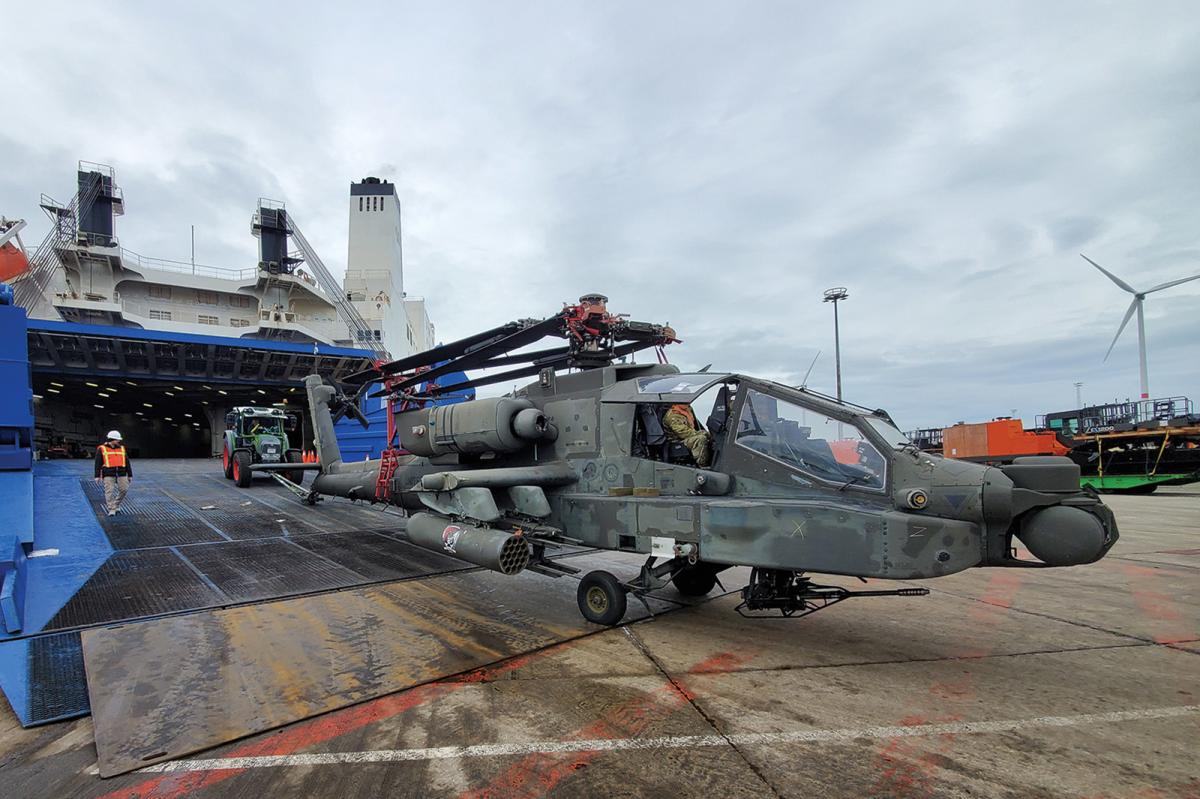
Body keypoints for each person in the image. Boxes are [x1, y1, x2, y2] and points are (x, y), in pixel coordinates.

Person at [94, 430, 133, 516]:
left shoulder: (122, 448)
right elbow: (98, 463)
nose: (119, 441)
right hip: (108, 474)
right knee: (109, 492)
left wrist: (130, 474)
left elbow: (127, 462)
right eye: (117, 439)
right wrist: (97, 476)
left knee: (124, 489)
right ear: (112, 439)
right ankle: (111, 509)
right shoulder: (102, 448)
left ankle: (116, 504)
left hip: (121, 473)